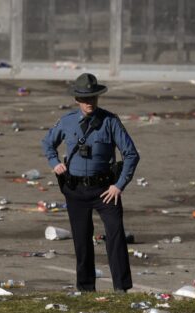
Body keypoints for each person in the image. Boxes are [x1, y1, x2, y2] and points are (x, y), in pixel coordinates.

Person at [41, 73, 140, 293]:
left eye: (93, 98)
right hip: (75, 190)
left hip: (105, 190)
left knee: (115, 235)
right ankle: (86, 289)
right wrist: (54, 162)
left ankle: (121, 288)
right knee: (82, 240)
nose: (89, 103)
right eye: (85, 99)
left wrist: (119, 185)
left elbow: (131, 154)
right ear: (77, 99)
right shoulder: (66, 121)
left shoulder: (110, 121)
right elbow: (48, 143)